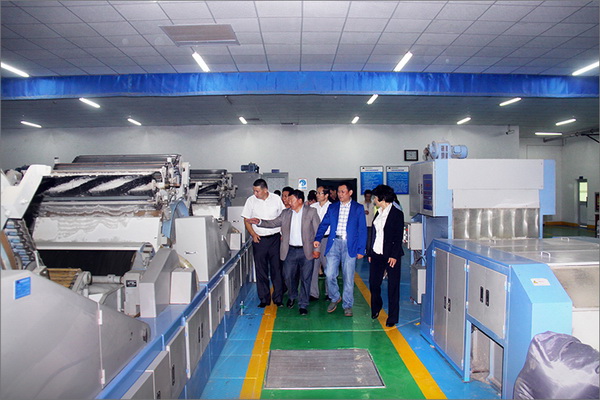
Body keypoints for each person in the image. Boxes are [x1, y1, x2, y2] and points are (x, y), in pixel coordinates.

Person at [247, 190, 321, 315]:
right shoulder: (286, 213)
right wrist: (259, 222)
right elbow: (274, 222)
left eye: (291, 200)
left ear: (300, 201)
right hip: (290, 251)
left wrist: (317, 250)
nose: (288, 202)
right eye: (288, 200)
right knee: (287, 276)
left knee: (306, 278)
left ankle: (303, 304)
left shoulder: (311, 212)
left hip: (306, 251)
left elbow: (318, 231)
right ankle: (292, 296)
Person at [314, 183, 367, 317]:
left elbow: (362, 229)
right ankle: (335, 297)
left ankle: (347, 305)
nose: (340, 194)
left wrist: (361, 250)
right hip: (334, 243)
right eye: (338, 192)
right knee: (329, 273)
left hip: (350, 245)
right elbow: (324, 224)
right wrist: (318, 238)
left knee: (348, 277)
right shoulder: (333, 207)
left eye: (343, 192)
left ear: (350, 192)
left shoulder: (358, 208)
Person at [241, 179, 284, 308]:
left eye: (257, 191)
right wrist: (253, 234)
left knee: (277, 269)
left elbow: (283, 218)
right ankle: (264, 299)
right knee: (261, 270)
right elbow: (246, 220)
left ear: (265, 190)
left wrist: (283, 234)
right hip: (259, 239)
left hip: (275, 239)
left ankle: (278, 298)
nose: (255, 193)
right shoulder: (250, 201)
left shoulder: (276, 199)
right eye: (254, 191)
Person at [367, 184, 405, 327]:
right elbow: (374, 233)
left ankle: (393, 317)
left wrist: (394, 255)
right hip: (376, 253)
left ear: (382, 198)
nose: (374, 200)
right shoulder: (378, 212)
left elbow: (398, 236)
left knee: (393, 286)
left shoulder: (397, 213)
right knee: (374, 283)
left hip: (391, 255)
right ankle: (376, 306)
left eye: (375, 198)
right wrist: (370, 252)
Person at [309, 186, 330, 300]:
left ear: (326, 195)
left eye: (319, 193)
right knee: (313, 267)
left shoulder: (332, 207)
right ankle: (313, 293)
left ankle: (329, 293)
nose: (317, 195)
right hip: (314, 240)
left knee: (328, 267)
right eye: (316, 193)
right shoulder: (312, 207)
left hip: (327, 239)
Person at [361, 189, 375, 253]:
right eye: (367, 196)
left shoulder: (374, 204)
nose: (368, 198)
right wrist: (363, 212)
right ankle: (363, 251)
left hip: (371, 224)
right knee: (363, 239)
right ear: (364, 196)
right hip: (363, 224)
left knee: (370, 240)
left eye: (369, 197)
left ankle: (369, 252)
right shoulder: (361, 204)